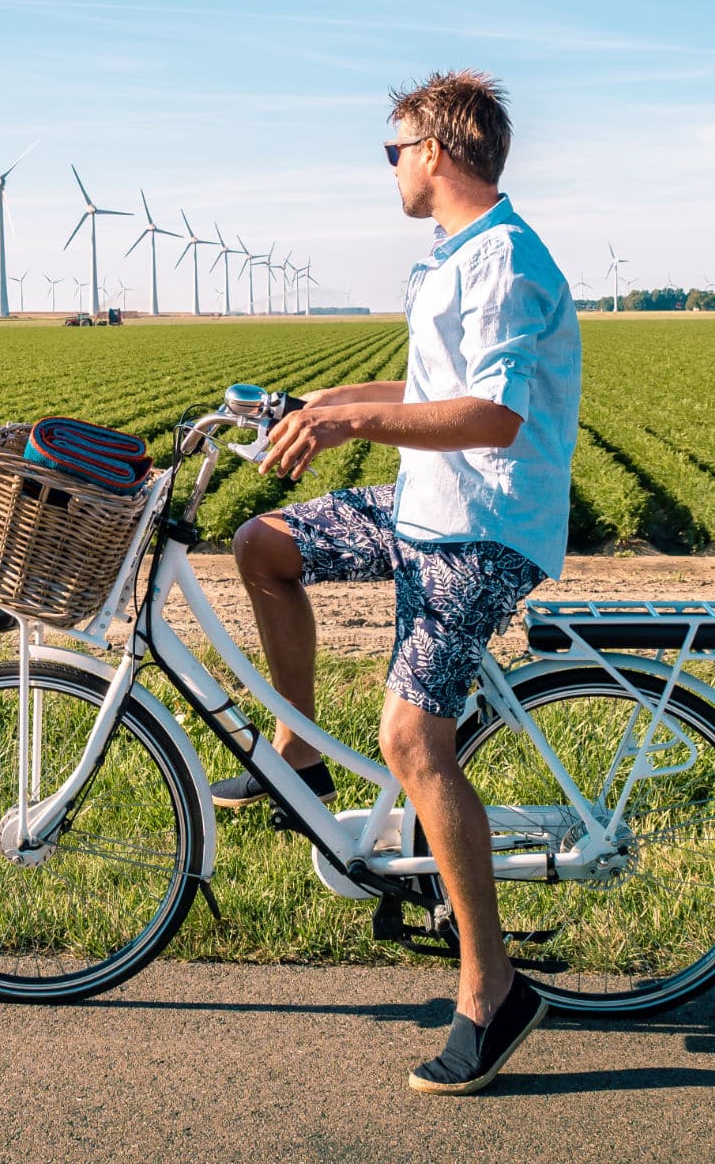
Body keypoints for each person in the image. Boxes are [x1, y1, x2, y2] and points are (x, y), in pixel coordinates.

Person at [219, 70, 581, 1095]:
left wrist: (351, 421)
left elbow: (493, 415)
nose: (390, 165)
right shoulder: (452, 259)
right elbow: (431, 393)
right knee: (264, 544)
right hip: (425, 502)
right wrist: (321, 399)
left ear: (440, 151)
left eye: (396, 147)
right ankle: (297, 749)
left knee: (412, 737)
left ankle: (491, 990)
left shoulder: (505, 260)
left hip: (477, 527)